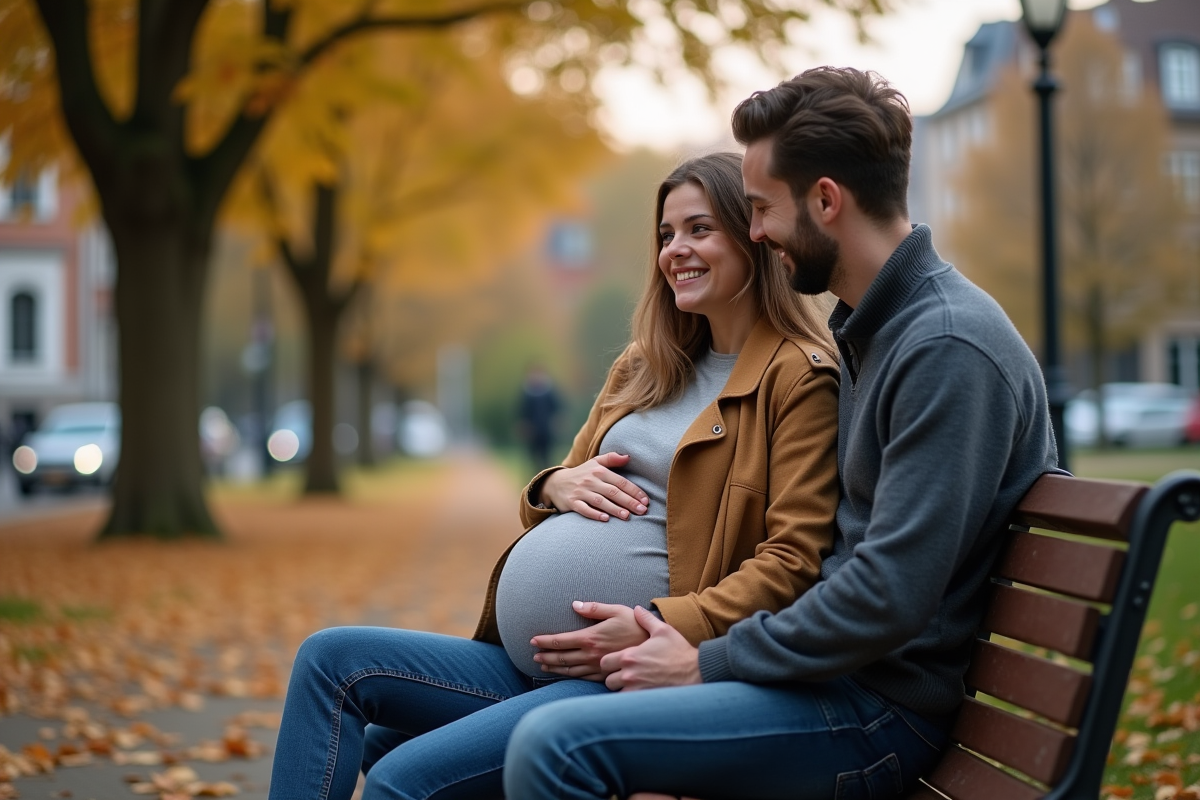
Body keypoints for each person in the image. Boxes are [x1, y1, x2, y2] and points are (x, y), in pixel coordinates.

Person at [502, 66, 1061, 800]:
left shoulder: (945, 347)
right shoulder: (881, 329)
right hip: (822, 683)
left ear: (825, 200)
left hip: (870, 713)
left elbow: (886, 595)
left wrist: (707, 661)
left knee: (555, 746)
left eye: (761, 209)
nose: (757, 232)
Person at [267, 152, 841, 800]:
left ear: (754, 237)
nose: (676, 249)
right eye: (666, 234)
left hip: (618, 674)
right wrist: (551, 486)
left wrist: (665, 621)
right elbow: (562, 485)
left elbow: (794, 561)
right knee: (329, 662)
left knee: (401, 776)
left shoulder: (796, 378)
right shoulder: (645, 365)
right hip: (526, 663)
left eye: (699, 230)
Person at [517, 363, 562, 471]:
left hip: (546, 430)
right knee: (533, 458)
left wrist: (558, 423)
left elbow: (557, 409)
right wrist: (522, 426)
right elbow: (522, 412)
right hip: (532, 431)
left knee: (547, 456)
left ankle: (547, 476)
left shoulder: (549, 391)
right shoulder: (527, 392)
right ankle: (535, 478)